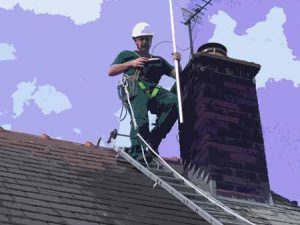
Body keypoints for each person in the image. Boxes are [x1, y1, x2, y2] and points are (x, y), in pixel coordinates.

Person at [108, 22, 182, 161]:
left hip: (153, 90)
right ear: (135, 41)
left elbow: (177, 74)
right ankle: (138, 151)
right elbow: (111, 71)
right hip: (135, 88)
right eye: (141, 39)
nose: (144, 42)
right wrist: (131, 63)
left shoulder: (158, 60)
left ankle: (153, 141)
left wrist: (177, 62)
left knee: (174, 102)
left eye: (147, 39)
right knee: (141, 121)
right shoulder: (127, 55)